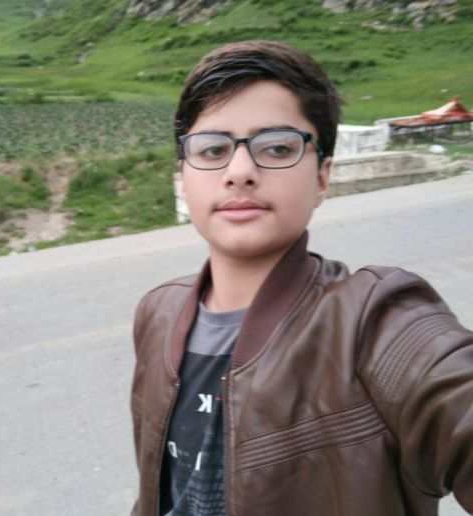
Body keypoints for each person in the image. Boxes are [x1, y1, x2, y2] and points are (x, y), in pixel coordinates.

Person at [129, 40, 473, 516]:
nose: (240, 171)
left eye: (277, 147)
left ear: (322, 177)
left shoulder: (374, 320)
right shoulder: (157, 313)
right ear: (184, 177)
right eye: (212, 149)